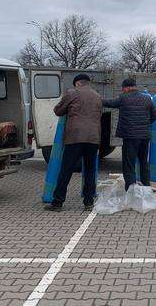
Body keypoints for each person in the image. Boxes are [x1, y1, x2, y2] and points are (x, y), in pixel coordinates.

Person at [46, 74, 103, 212]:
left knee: (66, 170)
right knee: (90, 171)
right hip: (93, 137)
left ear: (77, 83)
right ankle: (88, 202)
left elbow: (58, 111)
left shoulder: (72, 93)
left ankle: (58, 202)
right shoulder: (97, 96)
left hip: (75, 137)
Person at [103, 78, 156, 190]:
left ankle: (131, 190)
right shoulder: (147, 98)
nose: (123, 91)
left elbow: (110, 103)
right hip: (144, 137)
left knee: (129, 164)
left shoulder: (123, 98)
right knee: (144, 162)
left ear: (127, 88)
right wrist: (145, 124)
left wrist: (97, 99)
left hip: (130, 137)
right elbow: (155, 116)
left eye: (123, 89)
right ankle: (146, 187)